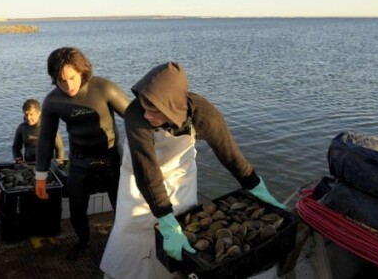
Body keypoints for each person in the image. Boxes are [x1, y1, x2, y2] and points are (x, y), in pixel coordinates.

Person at [100, 62, 285, 279]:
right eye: (145, 107)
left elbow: (231, 155)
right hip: (139, 178)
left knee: (185, 226)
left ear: (172, 108)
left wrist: (256, 186)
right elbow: (146, 170)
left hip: (180, 174)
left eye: (154, 111)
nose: (147, 115)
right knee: (133, 229)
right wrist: (165, 221)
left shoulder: (205, 115)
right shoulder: (135, 114)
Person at [35, 47, 130, 261]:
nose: (68, 86)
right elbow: (46, 139)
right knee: (77, 209)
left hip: (110, 157)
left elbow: (135, 118)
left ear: (82, 71)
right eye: (61, 80)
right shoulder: (52, 101)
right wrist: (40, 175)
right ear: (53, 79)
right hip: (79, 160)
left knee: (121, 207)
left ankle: (123, 242)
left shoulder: (104, 89)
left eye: (72, 78)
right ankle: (83, 241)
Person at [12, 99, 65, 163]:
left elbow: (60, 149)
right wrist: (19, 159)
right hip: (29, 164)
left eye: (31, 114)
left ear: (39, 113)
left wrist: (58, 164)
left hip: (47, 165)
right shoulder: (22, 128)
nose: (28, 118)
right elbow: (16, 147)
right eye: (26, 114)